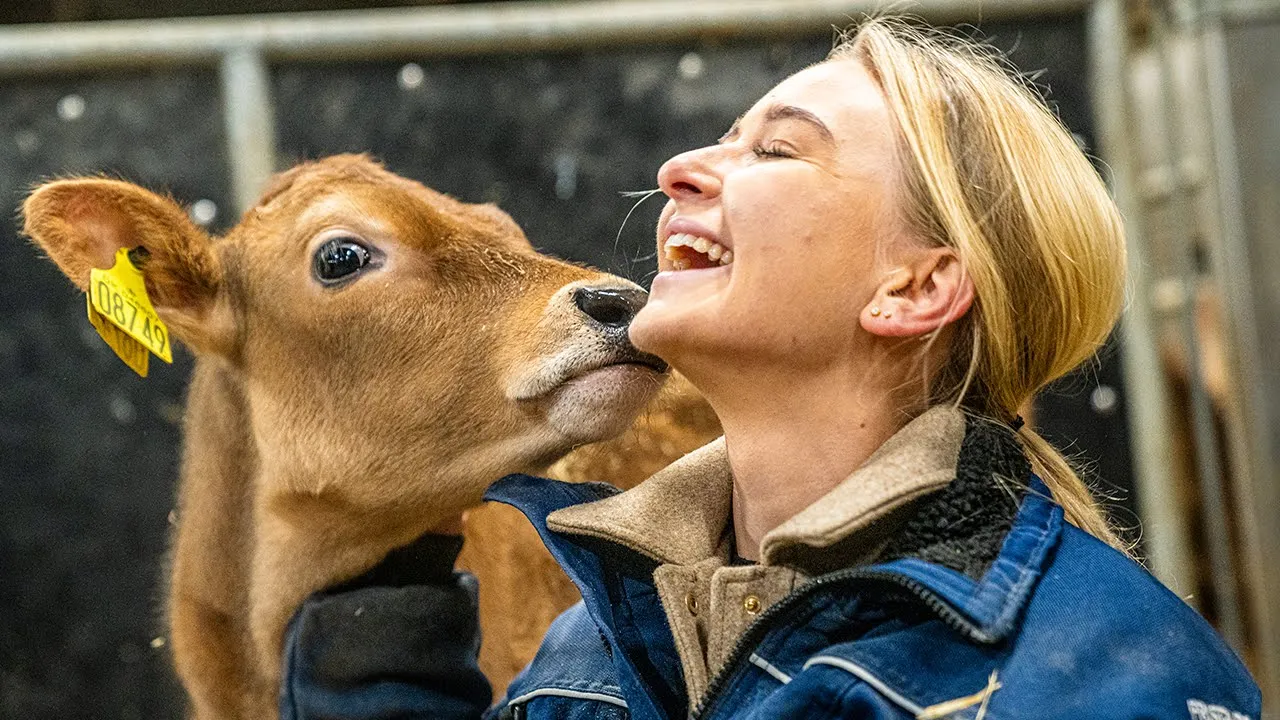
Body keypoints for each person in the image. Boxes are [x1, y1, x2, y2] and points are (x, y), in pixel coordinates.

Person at [278, 17, 1260, 720]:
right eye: (721, 136)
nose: (679, 168)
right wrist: (385, 589)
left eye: (777, 151)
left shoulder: (1090, 678)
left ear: (913, 289)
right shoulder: (600, 646)